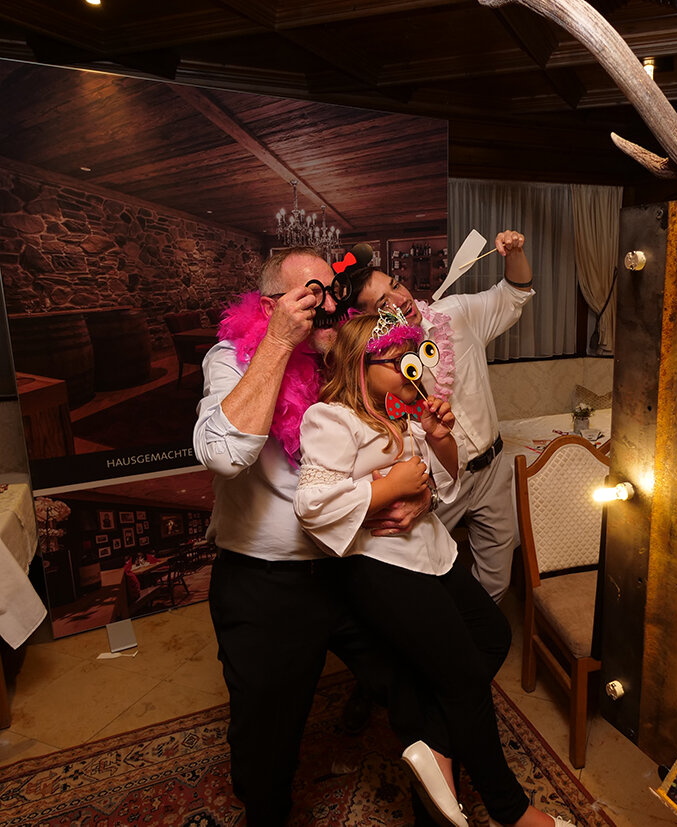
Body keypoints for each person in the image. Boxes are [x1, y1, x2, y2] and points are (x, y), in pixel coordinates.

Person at [293, 308, 572, 827]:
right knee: (464, 681)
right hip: (382, 567)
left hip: (433, 554)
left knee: (492, 636)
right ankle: (511, 811)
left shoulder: (402, 415)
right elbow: (311, 506)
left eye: (414, 358)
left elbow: (441, 485)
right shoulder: (331, 418)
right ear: (360, 366)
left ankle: (435, 746)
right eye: (396, 361)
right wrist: (388, 489)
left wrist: (440, 440)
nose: (411, 369)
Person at [193, 247, 430, 826]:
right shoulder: (231, 358)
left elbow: (402, 439)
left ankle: (438, 806)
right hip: (267, 582)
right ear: (270, 306)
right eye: (310, 294)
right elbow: (223, 455)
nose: (326, 307)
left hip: (356, 562)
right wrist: (278, 342)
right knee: (267, 739)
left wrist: (421, 495)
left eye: (332, 293)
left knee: (422, 680)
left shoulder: (347, 358)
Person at [348, 230, 533, 602]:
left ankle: (481, 633)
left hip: (491, 467)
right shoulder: (371, 370)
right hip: (432, 483)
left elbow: (515, 292)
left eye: (395, 285)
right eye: (383, 303)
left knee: (496, 580)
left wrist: (514, 252)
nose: (401, 299)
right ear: (366, 320)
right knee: (421, 577)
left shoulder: (456, 314)